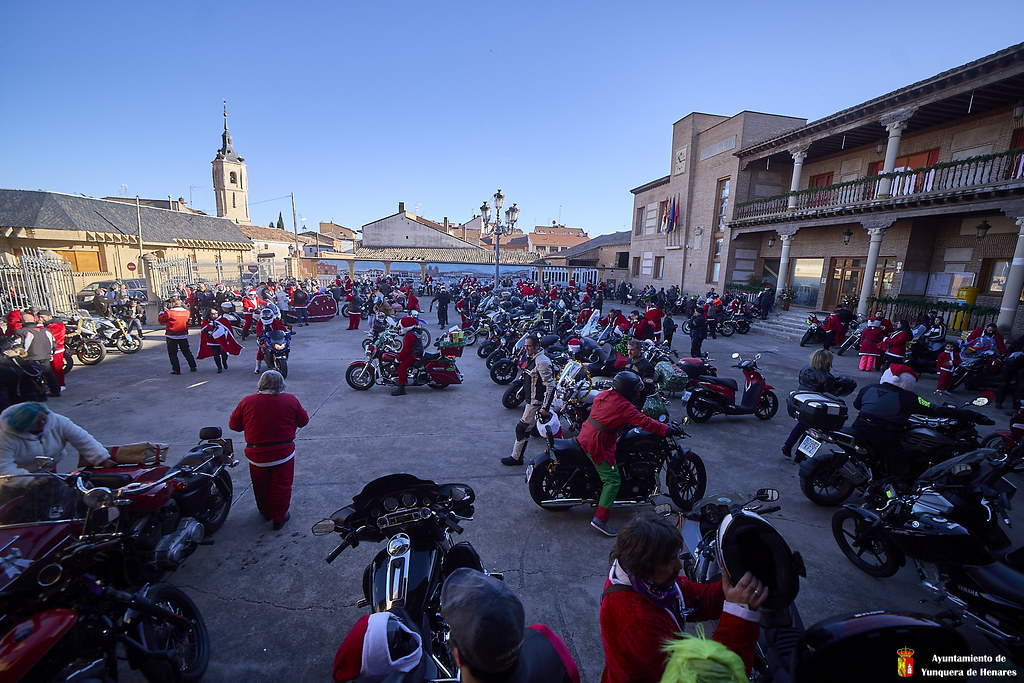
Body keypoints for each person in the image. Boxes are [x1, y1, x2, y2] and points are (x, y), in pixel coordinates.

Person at [599, 512, 764, 682]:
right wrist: (739, 614)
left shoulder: (645, 581)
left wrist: (736, 587)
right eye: (670, 560)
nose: (679, 565)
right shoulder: (636, 622)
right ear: (646, 567)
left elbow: (697, 598)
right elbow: (705, 677)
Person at [577, 372, 673, 537]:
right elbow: (645, 422)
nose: (637, 393)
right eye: (634, 390)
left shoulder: (605, 394)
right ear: (627, 390)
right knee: (613, 481)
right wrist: (666, 429)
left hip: (587, 434)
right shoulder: (624, 406)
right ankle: (600, 520)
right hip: (598, 443)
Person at [851, 364, 986, 477]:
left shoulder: (868, 387)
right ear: (908, 382)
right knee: (900, 467)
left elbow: (857, 405)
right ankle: (894, 492)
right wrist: (971, 415)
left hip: (858, 428)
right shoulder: (909, 398)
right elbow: (934, 410)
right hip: (883, 436)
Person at [228, 370, 308, 530]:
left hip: (256, 455)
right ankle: (279, 518)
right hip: (283, 453)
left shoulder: (247, 401)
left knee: (260, 485)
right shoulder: (290, 400)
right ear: (281, 384)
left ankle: (265, 512)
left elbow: (234, 425)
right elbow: (303, 420)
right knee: (282, 486)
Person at [0, 402, 115, 476]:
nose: (43, 423)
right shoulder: (5, 436)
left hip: (49, 469)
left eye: (44, 419)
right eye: (37, 422)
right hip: (16, 477)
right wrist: (27, 481)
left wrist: (101, 458)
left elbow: (82, 439)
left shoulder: (57, 421)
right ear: (24, 424)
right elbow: (4, 467)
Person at [781, 349, 852, 461]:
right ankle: (800, 454)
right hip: (816, 406)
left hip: (802, 402)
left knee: (801, 424)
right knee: (813, 431)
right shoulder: (827, 376)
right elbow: (829, 393)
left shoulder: (805, 369)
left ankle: (788, 445)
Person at [502, 334, 555, 466]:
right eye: (525, 346)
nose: (526, 349)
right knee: (528, 429)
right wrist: (520, 392)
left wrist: (545, 408)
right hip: (531, 400)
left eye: (529, 346)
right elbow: (529, 378)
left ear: (537, 346)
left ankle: (516, 458)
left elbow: (550, 386)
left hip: (535, 404)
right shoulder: (532, 357)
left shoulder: (542, 361)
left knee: (521, 429)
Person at [14, 313, 60, 397]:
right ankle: (56, 391)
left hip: (31, 357)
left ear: (22, 321)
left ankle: (39, 394)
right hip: (46, 356)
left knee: (33, 377)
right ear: (34, 320)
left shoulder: (21, 332)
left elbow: (17, 346)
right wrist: (51, 353)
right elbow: (54, 344)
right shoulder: (46, 330)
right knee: (49, 374)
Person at [158, 297, 196, 375]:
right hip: (183, 334)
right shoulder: (186, 312)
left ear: (173, 304)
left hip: (172, 335)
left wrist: (161, 313)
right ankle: (193, 366)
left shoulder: (169, 312)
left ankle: (176, 369)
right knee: (186, 351)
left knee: (172, 354)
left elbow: (161, 320)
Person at [392, 317, 422, 396]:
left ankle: (401, 389)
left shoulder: (410, 335)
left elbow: (406, 350)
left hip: (415, 355)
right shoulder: (415, 331)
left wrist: (397, 359)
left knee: (401, 367)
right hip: (415, 353)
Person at [37, 311, 66, 393]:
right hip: (48, 350)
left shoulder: (57, 325)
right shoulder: (48, 325)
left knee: (57, 369)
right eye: (39, 317)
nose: (41, 319)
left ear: (49, 316)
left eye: (43, 317)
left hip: (56, 350)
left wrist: (40, 326)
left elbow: (48, 336)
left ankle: (61, 384)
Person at [253, 308, 288, 374]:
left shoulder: (275, 321)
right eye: (264, 318)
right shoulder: (260, 322)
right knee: (260, 351)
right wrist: (259, 334)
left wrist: (286, 332)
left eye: (268, 317)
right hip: (264, 338)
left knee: (285, 345)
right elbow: (258, 330)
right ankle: (257, 366)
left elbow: (281, 328)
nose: (266, 319)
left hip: (275, 337)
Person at [623, 339, 657, 405]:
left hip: (637, 400)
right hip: (627, 396)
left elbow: (648, 387)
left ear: (639, 350)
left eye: (632, 350)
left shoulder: (647, 366)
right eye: (628, 349)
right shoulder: (629, 361)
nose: (629, 352)